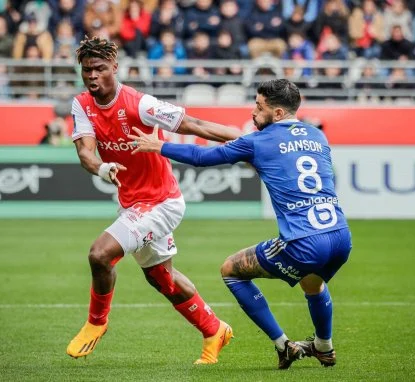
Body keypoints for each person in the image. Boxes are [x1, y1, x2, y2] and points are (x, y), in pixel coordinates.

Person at [128, 79, 352, 369]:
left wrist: (159, 146)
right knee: (313, 284)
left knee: (231, 271)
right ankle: (324, 346)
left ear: (279, 114)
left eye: (259, 107)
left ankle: (283, 346)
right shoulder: (316, 136)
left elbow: (201, 157)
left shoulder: (258, 141)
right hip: (340, 237)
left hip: (304, 241)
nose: (253, 112)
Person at [66, 36, 242, 364]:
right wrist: (103, 168)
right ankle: (214, 329)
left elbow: (195, 125)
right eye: (86, 70)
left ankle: (96, 323)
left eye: (100, 69)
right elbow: (85, 153)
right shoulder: (82, 105)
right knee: (162, 279)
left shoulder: (140, 104)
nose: (92, 76)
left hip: (162, 203)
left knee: (99, 255)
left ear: (114, 68)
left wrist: (249, 139)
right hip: (133, 204)